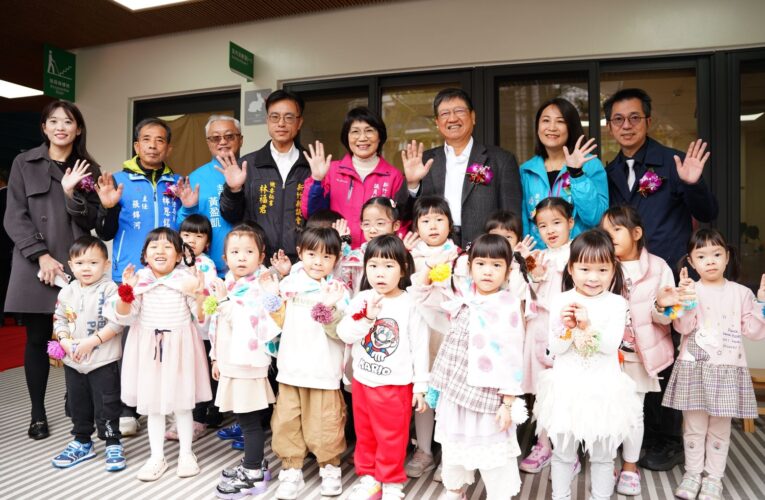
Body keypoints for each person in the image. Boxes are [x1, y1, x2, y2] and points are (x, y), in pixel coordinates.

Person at [603, 87, 718, 471]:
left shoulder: (672, 162)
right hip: (627, 277)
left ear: (648, 121)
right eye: (618, 119)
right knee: (634, 356)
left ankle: (667, 438)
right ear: (609, 127)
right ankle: (636, 432)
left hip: (667, 275)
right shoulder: (610, 170)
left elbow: (707, 211)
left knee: (667, 359)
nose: (626, 125)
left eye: (634, 117)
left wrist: (692, 183)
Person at [4, 100, 102, 440]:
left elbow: (92, 221)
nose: (61, 126)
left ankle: (74, 398)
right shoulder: (23, 162)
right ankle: (37, 412)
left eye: (68, 121)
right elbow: (14, 215)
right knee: (36, 340)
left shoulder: (89, 169)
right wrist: (41, 256)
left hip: (77, 264)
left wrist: (72, 192)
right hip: (36, 264)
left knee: (79, 335)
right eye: (53, 121)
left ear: (78, 129)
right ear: (44, 127)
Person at [413, 234, 528, 500]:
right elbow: (422, 296)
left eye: (496, 265)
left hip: (488, 394)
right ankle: (455, 490)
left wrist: (508, 403)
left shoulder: (507, 304)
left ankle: (498, 494)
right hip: (456, 391)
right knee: (454, 447)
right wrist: (430, 270)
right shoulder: (462, 294)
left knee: (493, 453)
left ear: (508, 269)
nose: (488, 271)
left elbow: (513, 357)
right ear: (470, 266)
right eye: (481, 264)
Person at [534, 229, 641, 500]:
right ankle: (560, 497)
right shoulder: (561, 300)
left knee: (604, 457)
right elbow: (556, 348)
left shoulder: (617, 304)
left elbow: (608, 347)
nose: (593, 277)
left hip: (604, 390)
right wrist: (568, 329)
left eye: (602, 270)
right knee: (562, 453)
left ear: (613, 270)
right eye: (584, 268)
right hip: (567, 389)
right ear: (571, 268)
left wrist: (587, 325)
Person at [663, 229, 765, 500]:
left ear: (727, 257)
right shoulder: (691, 289)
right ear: (691, 262)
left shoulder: (741, 293)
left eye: (717, 254)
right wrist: (684, 301)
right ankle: (693, 474)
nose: (710, 261)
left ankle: (713, 479)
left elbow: (755, 332)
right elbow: (683, 327)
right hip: (694, 369)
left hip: (728, 370)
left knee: (720, 428)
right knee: (694, 427)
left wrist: (762, 304)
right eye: (702, 255)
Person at [95, 117, 182, 436]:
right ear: (136, 146)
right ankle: (127, 409)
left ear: (168, 146)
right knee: (130, 346)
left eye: (160, 140)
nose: (153, 145)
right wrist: (107, 208)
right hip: (130, 274)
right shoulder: (118, 181)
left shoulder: (179, 183)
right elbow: (103, 231)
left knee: (168, 343)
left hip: (170, 277)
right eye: (146, 139)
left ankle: (166, 404)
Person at [106, 228, 211, 481]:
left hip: (181, 348)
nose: (160, 251)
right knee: (154, 407)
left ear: (178, 256)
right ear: (145, 255)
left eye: (167, 247)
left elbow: (201, 318)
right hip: (148, 350)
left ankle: (186, 453)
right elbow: (125, 315)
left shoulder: (185, 280)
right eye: (154, 247)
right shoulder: (140, 280)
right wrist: (126, 291)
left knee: (183, 405)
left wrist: (198, 292)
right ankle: (157, 456)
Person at [338, 235, 429, 500]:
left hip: (396, 384)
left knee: (392, 437)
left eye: (388, 266)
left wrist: (420, 386)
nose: (380, 273)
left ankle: (390, 481)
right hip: (363, 381)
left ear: (403, 268)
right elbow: (345, 333)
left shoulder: (411, 302)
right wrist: (366, 317)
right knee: (365, 433)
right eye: (374, 266)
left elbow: (420, 346)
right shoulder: (362, 298)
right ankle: (368, 477)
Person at [600, 206, 676, 496]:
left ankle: (630, 467)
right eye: (605, 231)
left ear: (636, 233)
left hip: (638, 355)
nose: (609, 236)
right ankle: (606, 462)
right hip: (604, 353)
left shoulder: (658, 267)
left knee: (634, 413)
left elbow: (667, 319)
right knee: (605, 409)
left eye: (615, 230)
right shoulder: (602, 264)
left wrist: (661, 306)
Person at [270, 227, 350, 499]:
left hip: (323, 368)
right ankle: (291, 469)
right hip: (291, 366)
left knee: (325, 421)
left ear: (336, 259)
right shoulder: (288, 285)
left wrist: (329, 308)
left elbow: (341, 332)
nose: (318, 261)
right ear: (300, 253)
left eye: (326, 256)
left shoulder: (338, 290)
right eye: (312, 254)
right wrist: (271, 300)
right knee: (287, 421)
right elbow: (277, 321)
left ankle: (330, 467)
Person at [209, 224, 283, 499]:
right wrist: (215, 357)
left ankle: (252, 471)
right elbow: (218, 324)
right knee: (243, 417)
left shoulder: (262, 285)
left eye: (249, 251)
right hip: (231, 361)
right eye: (235, 252)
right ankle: (256, 464)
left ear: (261, 256)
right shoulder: (229, 282)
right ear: (225, 257)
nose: (241, 257)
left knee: (250, 421)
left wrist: (223, 301)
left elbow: (252, 323)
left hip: (249, 363)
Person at [402, 88, 522, 247]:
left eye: (459, 111)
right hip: (435, 252)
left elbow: (511, 215)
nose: (452, 118)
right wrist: (412, 184)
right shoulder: (424, 160)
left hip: (485, 252)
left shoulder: (501, 160)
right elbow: (406, 215)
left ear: (473, 117)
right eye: (445, 114)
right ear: (437, 123)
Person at [50, 236, 125, 471]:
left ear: (106, 264)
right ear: (71, 265)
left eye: (93, 263)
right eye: (80, 263)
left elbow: (117, 323)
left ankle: (112, 441)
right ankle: (82, 441)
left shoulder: (110, 289)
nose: (86, 268)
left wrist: (91, 342)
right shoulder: (67, 292)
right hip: (74, 361)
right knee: (78, 402)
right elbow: (59, 319)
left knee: (107, 403)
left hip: (103, 360)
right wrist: (63, 340)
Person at [404, 195, 461, 481]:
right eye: (425, 221)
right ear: (416, 225)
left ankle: (449, 455)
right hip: (419, 332)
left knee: (450, 393)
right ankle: (424, 450)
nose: (433, 226)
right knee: (423, 390)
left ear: (450, 224)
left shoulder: (461, 256)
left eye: (440, 219)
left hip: (449, 333)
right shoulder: (409, 255)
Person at [218, 90, 311, 262]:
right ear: (267, 120)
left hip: (301, 264)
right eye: (275, 117)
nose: (281, 123)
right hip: (257, 262)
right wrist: (234, 190)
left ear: (299, 122)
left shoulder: (312, 166)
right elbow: (230, 216)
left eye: (289, 117)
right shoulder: (247, 165)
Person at [519, 197, 575, 475]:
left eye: (556, 223)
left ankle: (568, 449)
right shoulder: (537, 257)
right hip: (540, 328)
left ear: (570, 223)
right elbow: (526, 293)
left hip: (568, 330)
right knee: (542, 391)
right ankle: (543, 445)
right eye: (542, 225)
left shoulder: (578, 256)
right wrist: (531, 270)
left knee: (567, 391)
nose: (550, 230)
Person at [301, 107, 408, 248]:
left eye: (369, 131)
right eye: (355, 132)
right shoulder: (332, 171)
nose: (362, 138)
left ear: (380, 135)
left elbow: (402, 222)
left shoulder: (393, 176)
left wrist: (396, 251)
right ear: (347, 136)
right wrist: (316, 180)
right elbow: (312, 214)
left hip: (377, 258)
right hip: (336, 254)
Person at [520, 98, 608, 248]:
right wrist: (528, 261)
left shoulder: (590, 165)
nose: (552, 127)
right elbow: (523, 222)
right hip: (540, 261)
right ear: (537, 126)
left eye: (560, 121)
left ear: (571, 127)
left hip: (580, 257)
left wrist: (577, 174)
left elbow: (595, 217)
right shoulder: (526, 170)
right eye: (546, 120)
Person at [164, 214, 220, 440]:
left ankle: (200, 418)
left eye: (199, 236)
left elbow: (204, 296)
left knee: (201, 373)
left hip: (202, 330)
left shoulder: (205, 264)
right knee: (183, 373)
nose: (191, 240)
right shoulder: (173, 262)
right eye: (186, 234)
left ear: (207, 243)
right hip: (179, 328)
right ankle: (183, 417)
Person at [175, 114, 243, 277]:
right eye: (215, 138)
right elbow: (182, 227)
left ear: (240, 139)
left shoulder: (251, 172)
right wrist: (188, 208)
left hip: (249, 270)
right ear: (208, 142)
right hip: (206, 271)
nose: (223, 142)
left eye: (229, 136)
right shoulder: (194, 178)